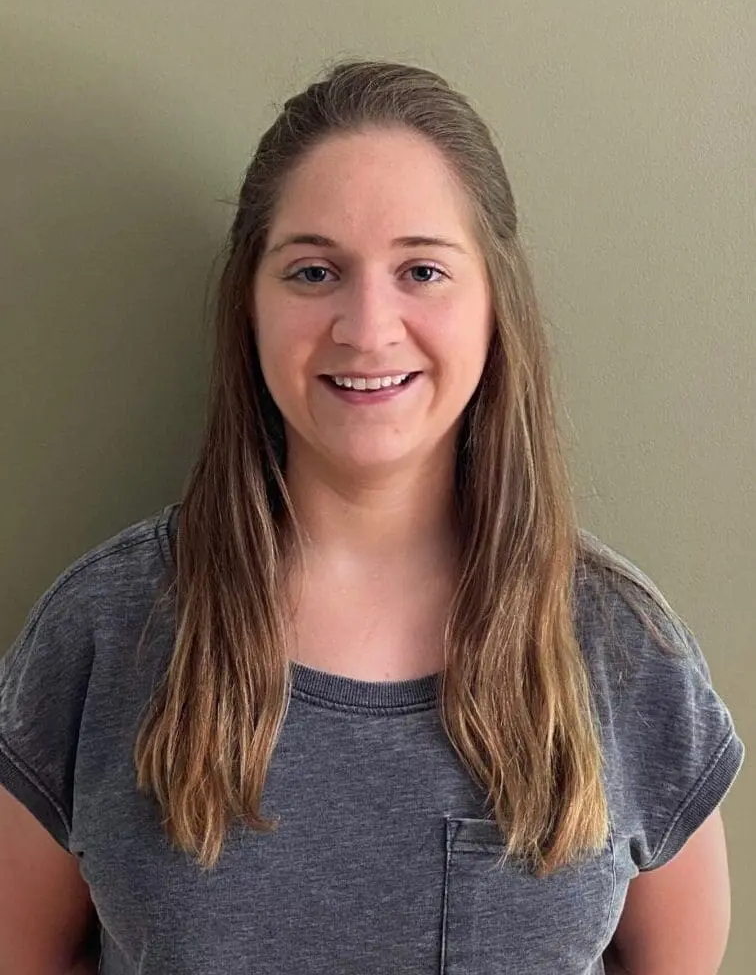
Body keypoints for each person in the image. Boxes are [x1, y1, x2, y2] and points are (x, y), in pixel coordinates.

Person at [0, 59, 745, 975]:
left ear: (494, 306)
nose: (367, 325)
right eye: (314, 271)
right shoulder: (101, 632)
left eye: (423, 270)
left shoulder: (623, 651)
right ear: (250, 305)